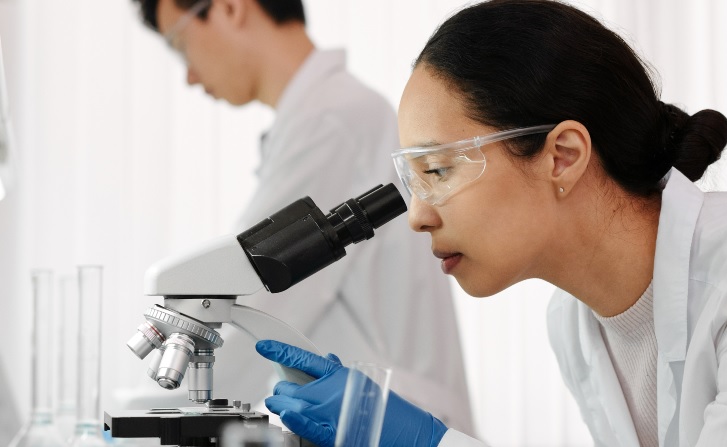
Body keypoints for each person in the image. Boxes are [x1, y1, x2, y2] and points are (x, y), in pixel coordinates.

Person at [254, 0, 727, 446]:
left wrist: (430, 441)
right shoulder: (575, 321)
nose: (418, 215)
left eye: (438, 170)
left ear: (562, 156)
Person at [126, 0, 474, 434]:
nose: (189, 75)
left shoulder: (333, 122)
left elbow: (253, 295)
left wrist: (125, 423)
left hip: (395, 420)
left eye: (180, 45)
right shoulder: (321, 118)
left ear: (230, 8)